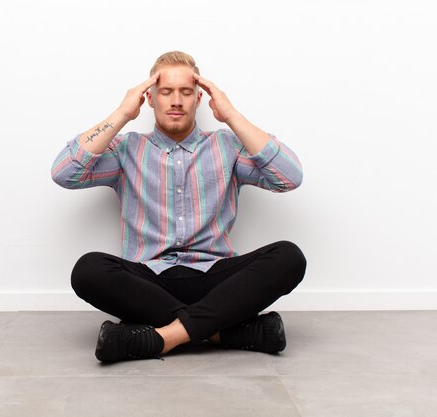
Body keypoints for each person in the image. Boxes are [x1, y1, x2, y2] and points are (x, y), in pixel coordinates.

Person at [51, 51, 307, 362]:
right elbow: (64, 172)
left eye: (186, 92)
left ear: (199, 99)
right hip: (148, 280)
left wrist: (232, 115)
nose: (176, 101)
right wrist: (121, 113)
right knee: (88, 269)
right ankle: (223, 331)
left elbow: (289, 178)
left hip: (215, 279)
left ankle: (161, 338)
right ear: (150, 99)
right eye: (166, 92)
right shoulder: (126, 149)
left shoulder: (227, 146)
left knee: (288, 257)